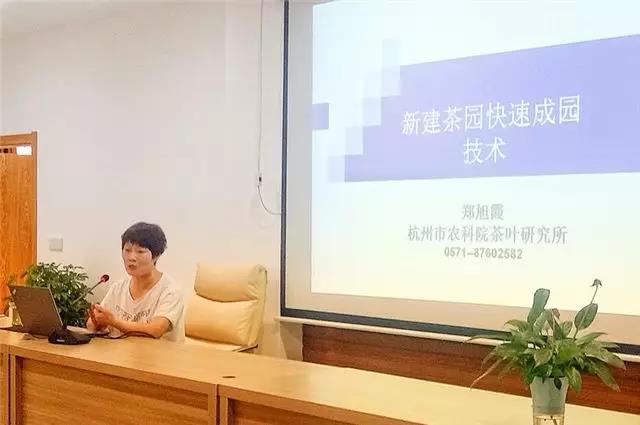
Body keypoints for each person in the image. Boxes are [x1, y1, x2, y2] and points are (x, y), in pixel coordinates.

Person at [87, 222, 185, 341]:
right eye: (127, 250)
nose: (131, 258)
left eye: (140, 252)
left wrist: (114, 322)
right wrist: (98, 323)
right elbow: (91, 325)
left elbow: (155, 330)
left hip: (159, 352)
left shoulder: (170, 290)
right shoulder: (118, 288)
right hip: (120, 352)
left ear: (156, 255)